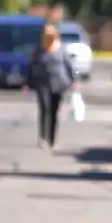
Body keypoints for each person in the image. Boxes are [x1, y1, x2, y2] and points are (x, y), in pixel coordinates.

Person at [27, 23, 77, 151]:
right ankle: (43, 137)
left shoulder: (61, 49)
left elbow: (69, 66)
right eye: (46, 36)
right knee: (44, 108)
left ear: (55, 36)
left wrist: (74, 80)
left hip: (59, 84)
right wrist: (28, 82)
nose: (48, 38)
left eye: (50, 36)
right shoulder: (39, 51)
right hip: (43, 83)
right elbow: (31, 67)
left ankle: (52, 138)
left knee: (54, 112)